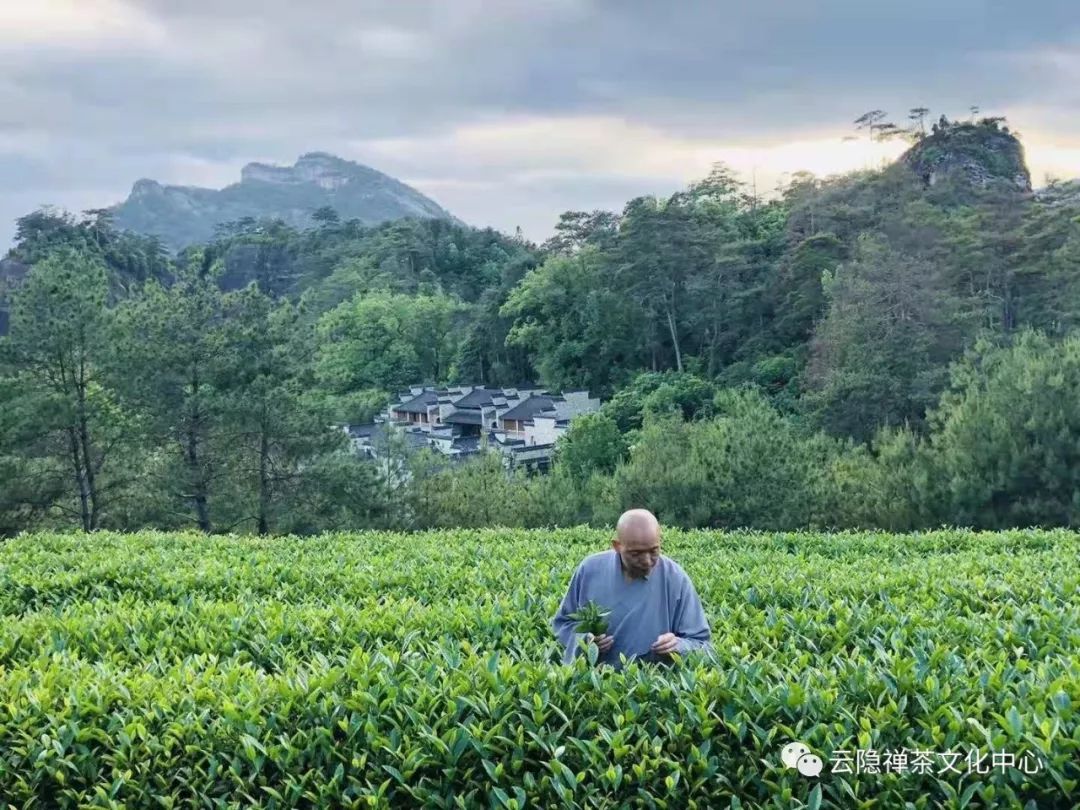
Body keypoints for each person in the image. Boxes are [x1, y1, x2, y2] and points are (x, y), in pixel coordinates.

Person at [551, 508, 713, 668]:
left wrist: (678, 645)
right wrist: (587, 641)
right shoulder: (590, 570)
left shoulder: (675, 578)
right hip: (597, 686)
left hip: (650, 684)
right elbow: (563, 624)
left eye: (654, 551)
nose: (647, 561)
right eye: (636, 554)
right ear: (617, 546)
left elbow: (702, 644)